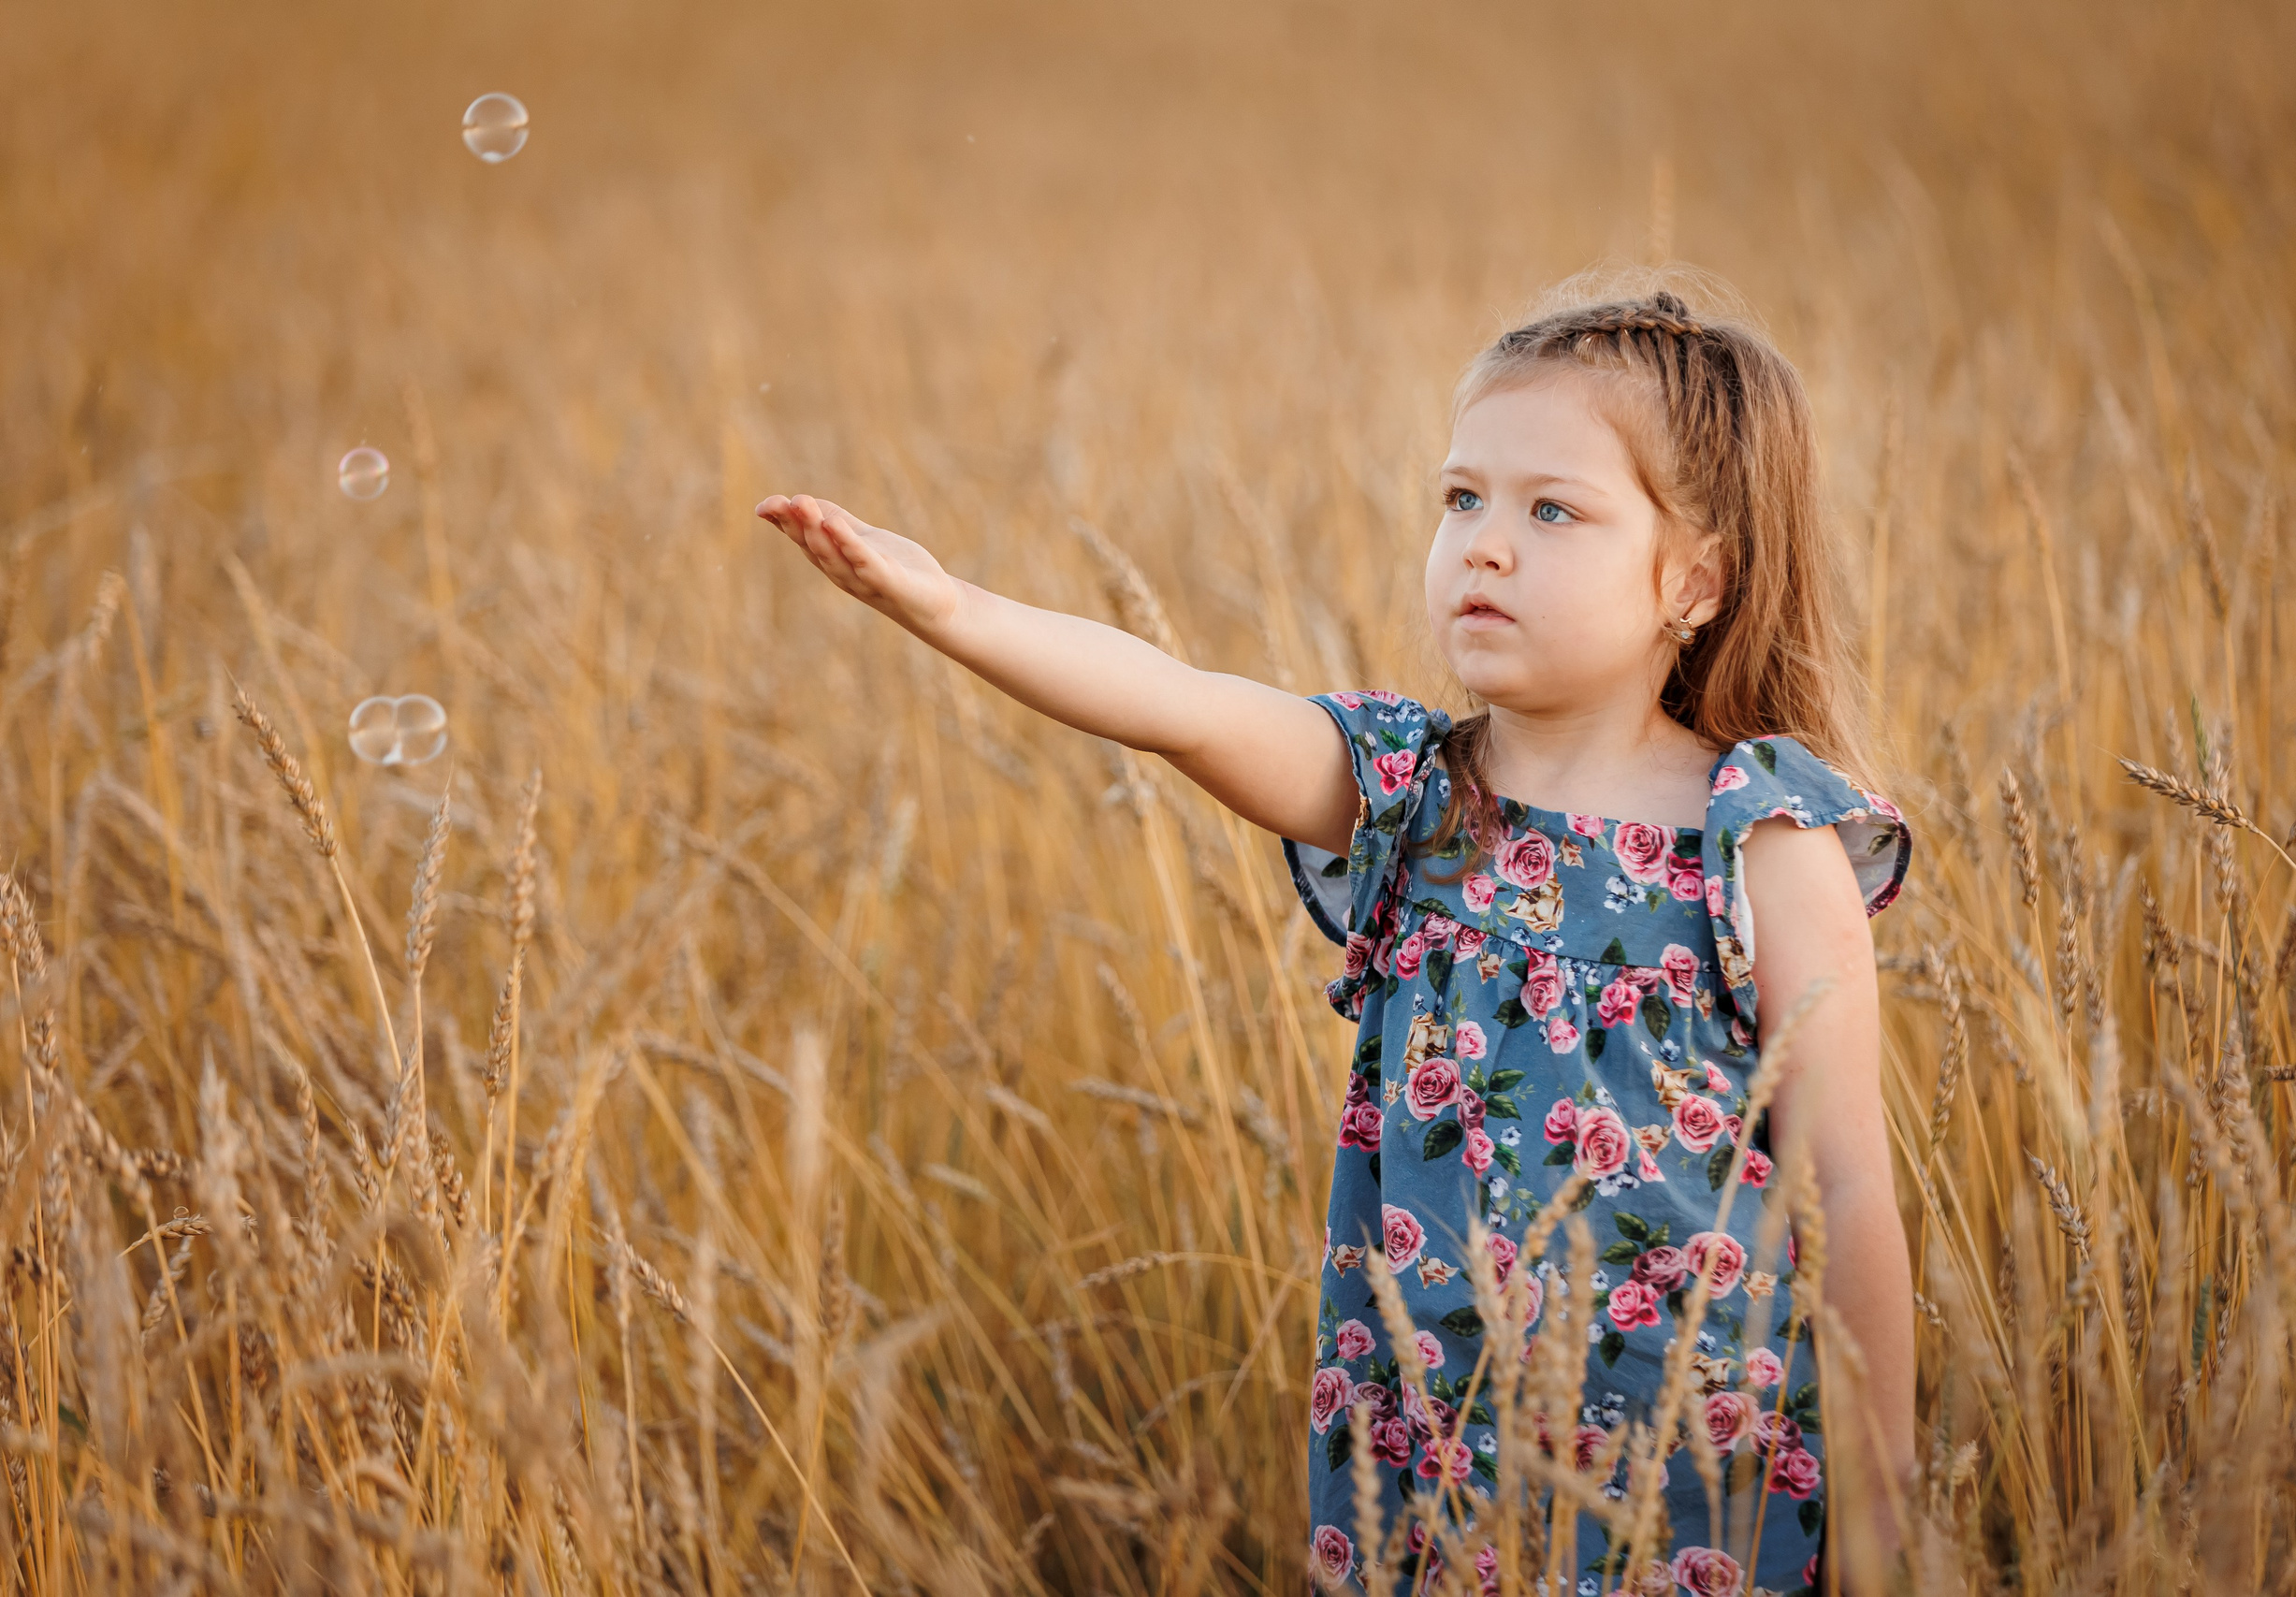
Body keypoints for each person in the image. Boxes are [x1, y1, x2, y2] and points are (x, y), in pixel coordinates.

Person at [757, 277, 1914, 1594]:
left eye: (1552, 511)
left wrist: (1884, 1524)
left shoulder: (1762, 839)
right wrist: (952, 608)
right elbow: (1182, 705)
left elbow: (1848, 1188)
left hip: (1699, 1472)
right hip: (1431, 1452)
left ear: (1695, 581)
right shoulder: (1412, 795)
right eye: (1462, 498)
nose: (1483, 546)